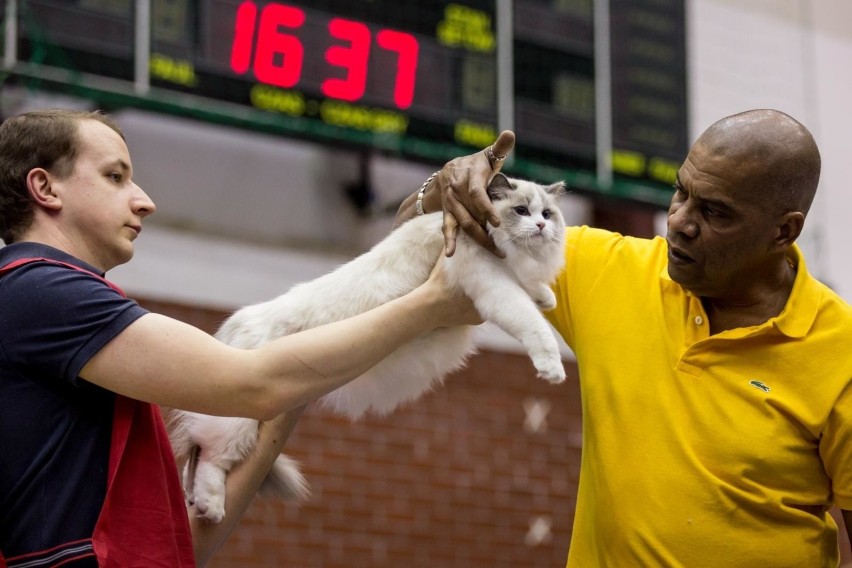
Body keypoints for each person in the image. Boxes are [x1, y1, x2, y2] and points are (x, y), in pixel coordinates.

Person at [0, 109, 482, 567]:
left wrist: (402, 250)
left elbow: (182, 549)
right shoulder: (42, 289)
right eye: (114, 176)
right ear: (45, 187)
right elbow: (254, 384)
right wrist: (432, 304)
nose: (144, 199)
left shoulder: (50, 305)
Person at [399, 109, 852, 566]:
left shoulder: (841, 353)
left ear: (783, 231)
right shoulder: (608, 271)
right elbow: (412, 240)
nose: (679, 221)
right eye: (681, 191)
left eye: (714, 212)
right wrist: (443, 186)